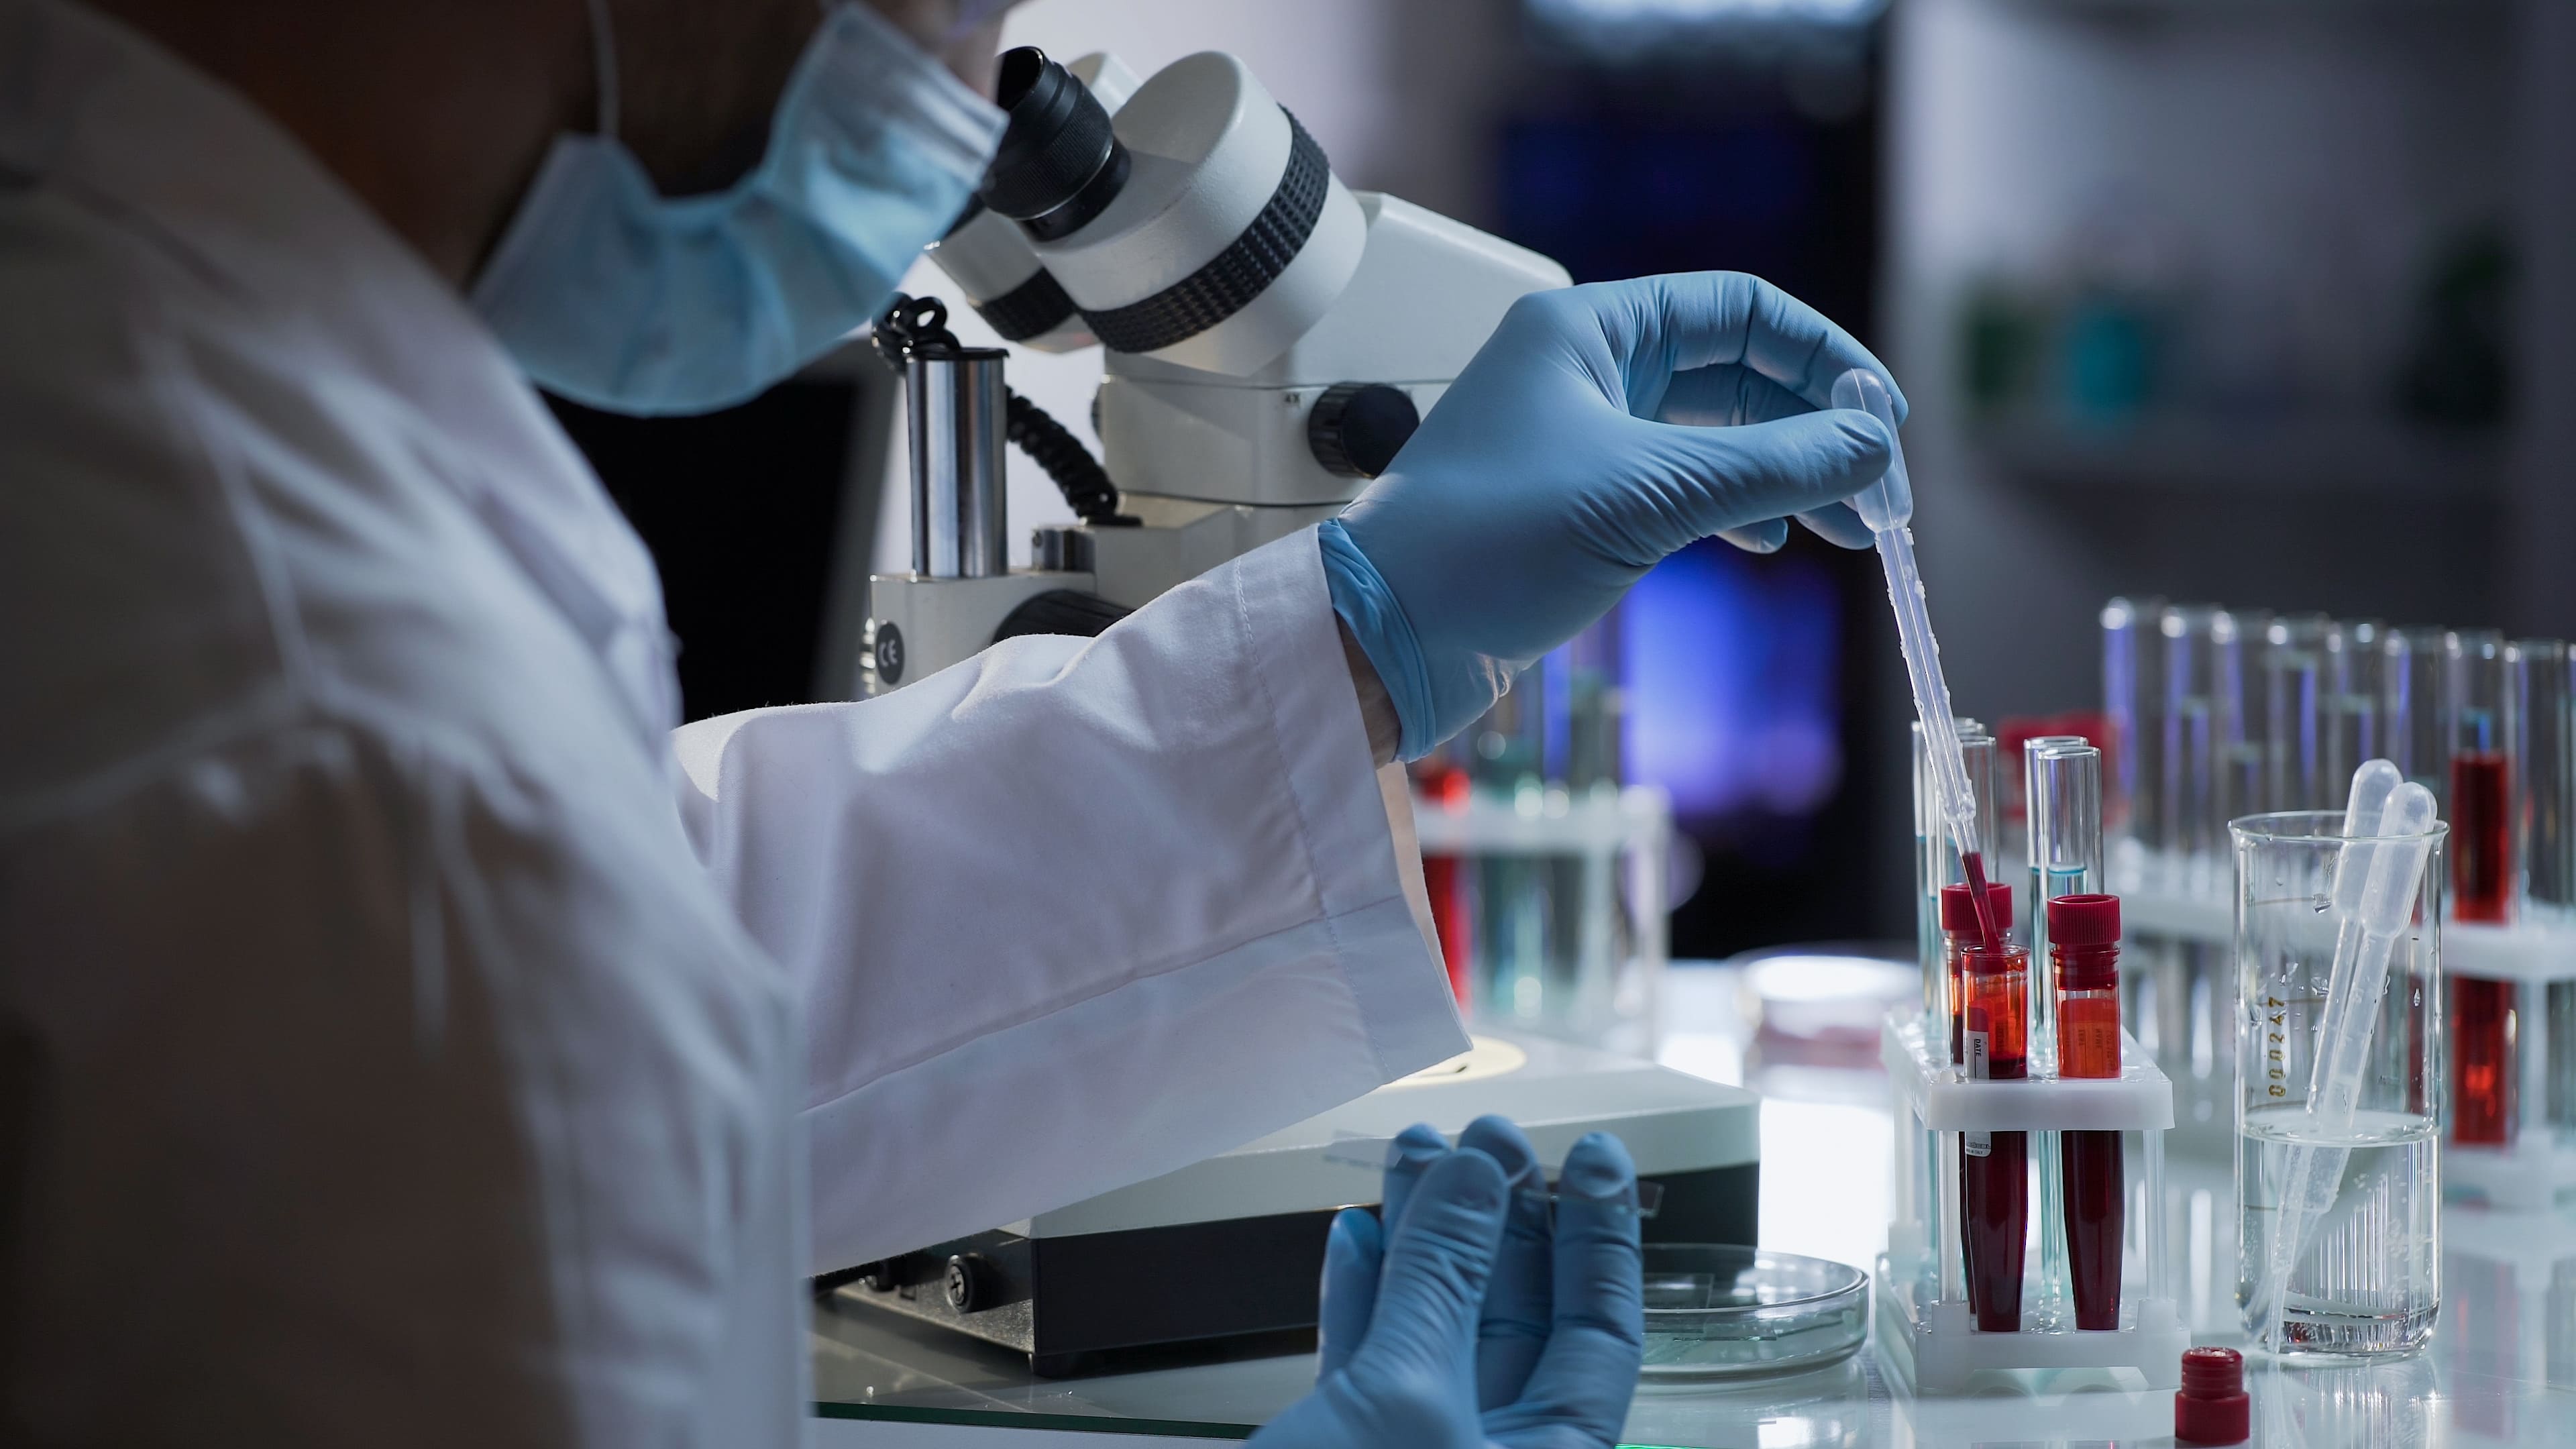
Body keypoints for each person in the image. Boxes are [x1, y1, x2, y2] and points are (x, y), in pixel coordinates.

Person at [0, 0, 1903, 1443]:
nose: (973, 66)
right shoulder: (328, 701)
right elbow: (494, 916)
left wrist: (1364, 633)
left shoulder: (138, 388)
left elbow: (655, 926)